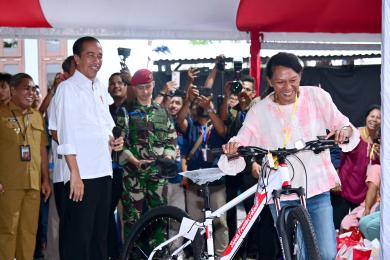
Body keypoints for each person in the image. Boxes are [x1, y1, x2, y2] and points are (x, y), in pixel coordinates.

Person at [222, 52, 359, 260]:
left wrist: (344, 132)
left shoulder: (316, 96)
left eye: (293, 80)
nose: (287, 88)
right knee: (300, 253)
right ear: (269, 81)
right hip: (280, 191)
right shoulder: (260, 111)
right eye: (280, 82)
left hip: (316, 186)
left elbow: (343, 124)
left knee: (328, 252)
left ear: (301, 76)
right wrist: (234, 147)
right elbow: (243, 137)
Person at [54, 36, 123, 260]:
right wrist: (74, 173)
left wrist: (115, 141)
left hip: (103, 172)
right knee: (78, 242)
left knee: (99, 240)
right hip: (81, 176)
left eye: (100, 55)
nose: (96, 60)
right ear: (77, 58)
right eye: (90, 55)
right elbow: (65, 135)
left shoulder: (100, 88)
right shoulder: (67, 89)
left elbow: (107, 127)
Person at [117, 68, 177, 237]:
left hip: (158, 176)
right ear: (134, 88)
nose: (145, 91)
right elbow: (118, 144)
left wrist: (167, 157)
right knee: (132, 221)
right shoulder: (125, 112)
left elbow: (171, 140)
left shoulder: (163, 112)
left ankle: (158, 254)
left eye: (148, 87)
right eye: (141, 87)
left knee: (159, 219)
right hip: (133, 176)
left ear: (153, 85)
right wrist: (133, 160)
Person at [0, 73, 51, 260]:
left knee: (29, 232)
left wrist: (45, 179)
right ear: (13, 90)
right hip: (8, 185)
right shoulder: (1, 114)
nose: (31, 92)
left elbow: (42, 150)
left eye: (32, 88)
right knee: (8, 231)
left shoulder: (36, 117)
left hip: (34, 184)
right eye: (26, 88)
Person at [176, 85, 228, 257]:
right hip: (194, 182)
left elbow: (223, 130)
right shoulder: (190, 126)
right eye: (198, 103)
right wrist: (189, 99)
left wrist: (210, 109)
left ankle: (221, 256)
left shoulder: (217, 122)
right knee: (194, 222)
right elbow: (180, 119)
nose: (202, 105)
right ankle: (197, 254)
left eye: (205, 102)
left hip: (216, 182)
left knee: (220, 221)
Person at [45, 56, 76, 260]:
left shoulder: (83, 94)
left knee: (76, 224)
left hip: (83, 172)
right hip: (62, 173)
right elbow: (55, 131)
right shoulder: (60, 95)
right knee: (62, 223)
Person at [332, 105, 381, 229]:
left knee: (354, 231)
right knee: (337, 227)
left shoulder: (380, 143)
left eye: (378, 118)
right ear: (366, 117)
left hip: (363, 194)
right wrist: (335, 178)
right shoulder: (355, 134)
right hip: (343, 188)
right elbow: (337, 153)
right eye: (372, 116)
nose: (374, 120)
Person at [107, 72, 128, 259]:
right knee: (110, 216)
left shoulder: (134, 107)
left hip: (135, 173)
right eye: (112, 83)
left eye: (120, 83)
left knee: (131, 217)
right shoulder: (105, 110)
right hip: (112, 171)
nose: (116, 86)